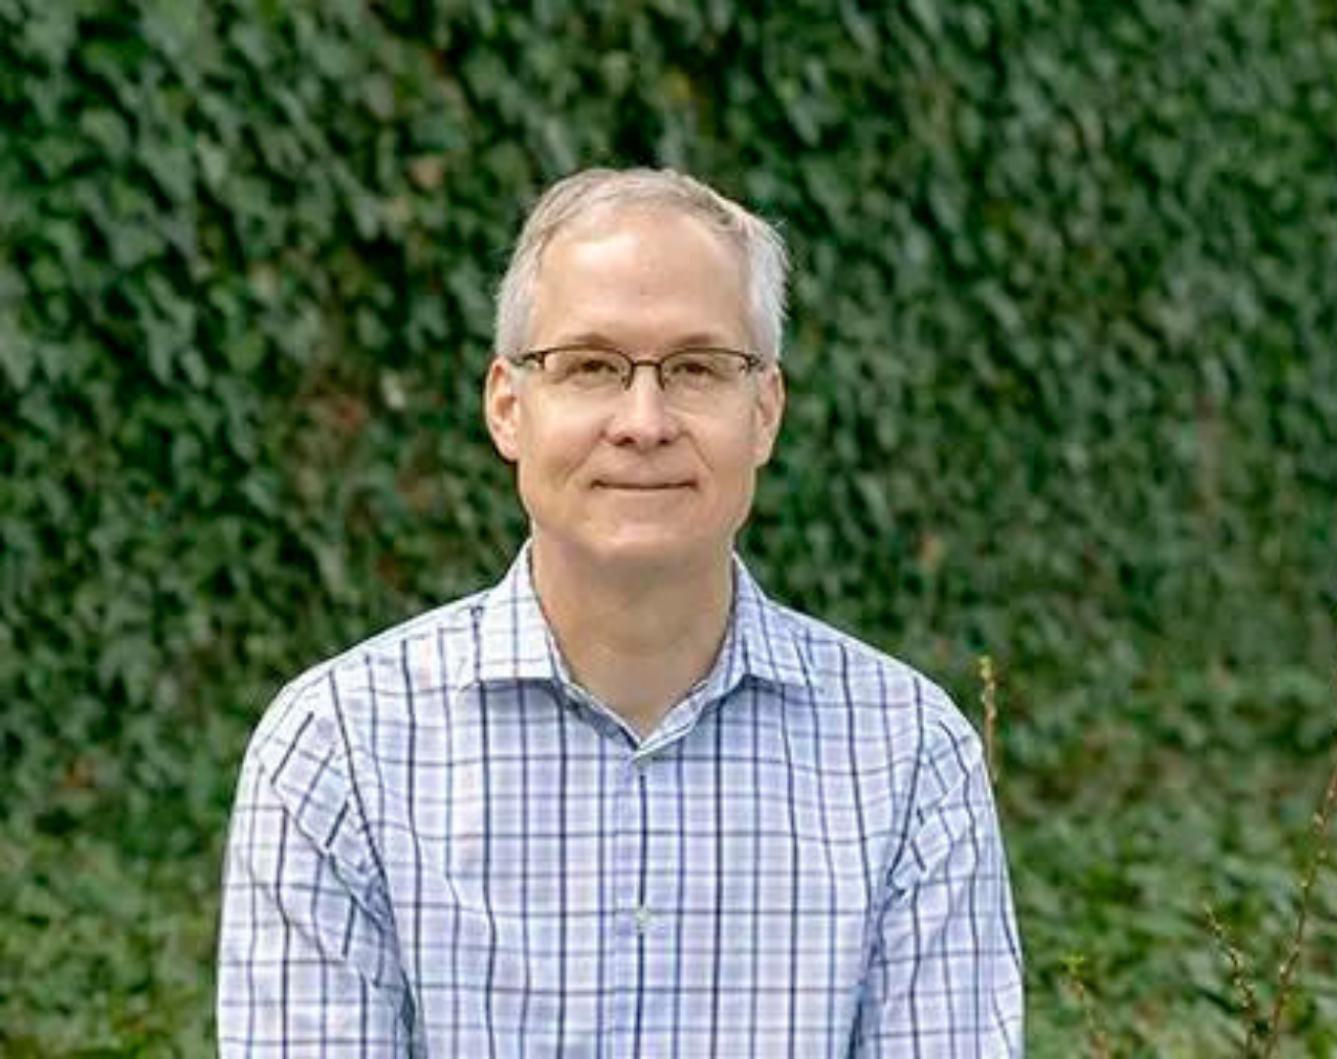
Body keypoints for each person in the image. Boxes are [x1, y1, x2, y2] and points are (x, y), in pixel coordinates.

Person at [218, 167, 1024, 1056]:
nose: (643, 421)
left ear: (763, 412)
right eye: (591, 366)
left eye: (696, 368)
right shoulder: (338, 749)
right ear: (507, 407)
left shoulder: (907, 756)